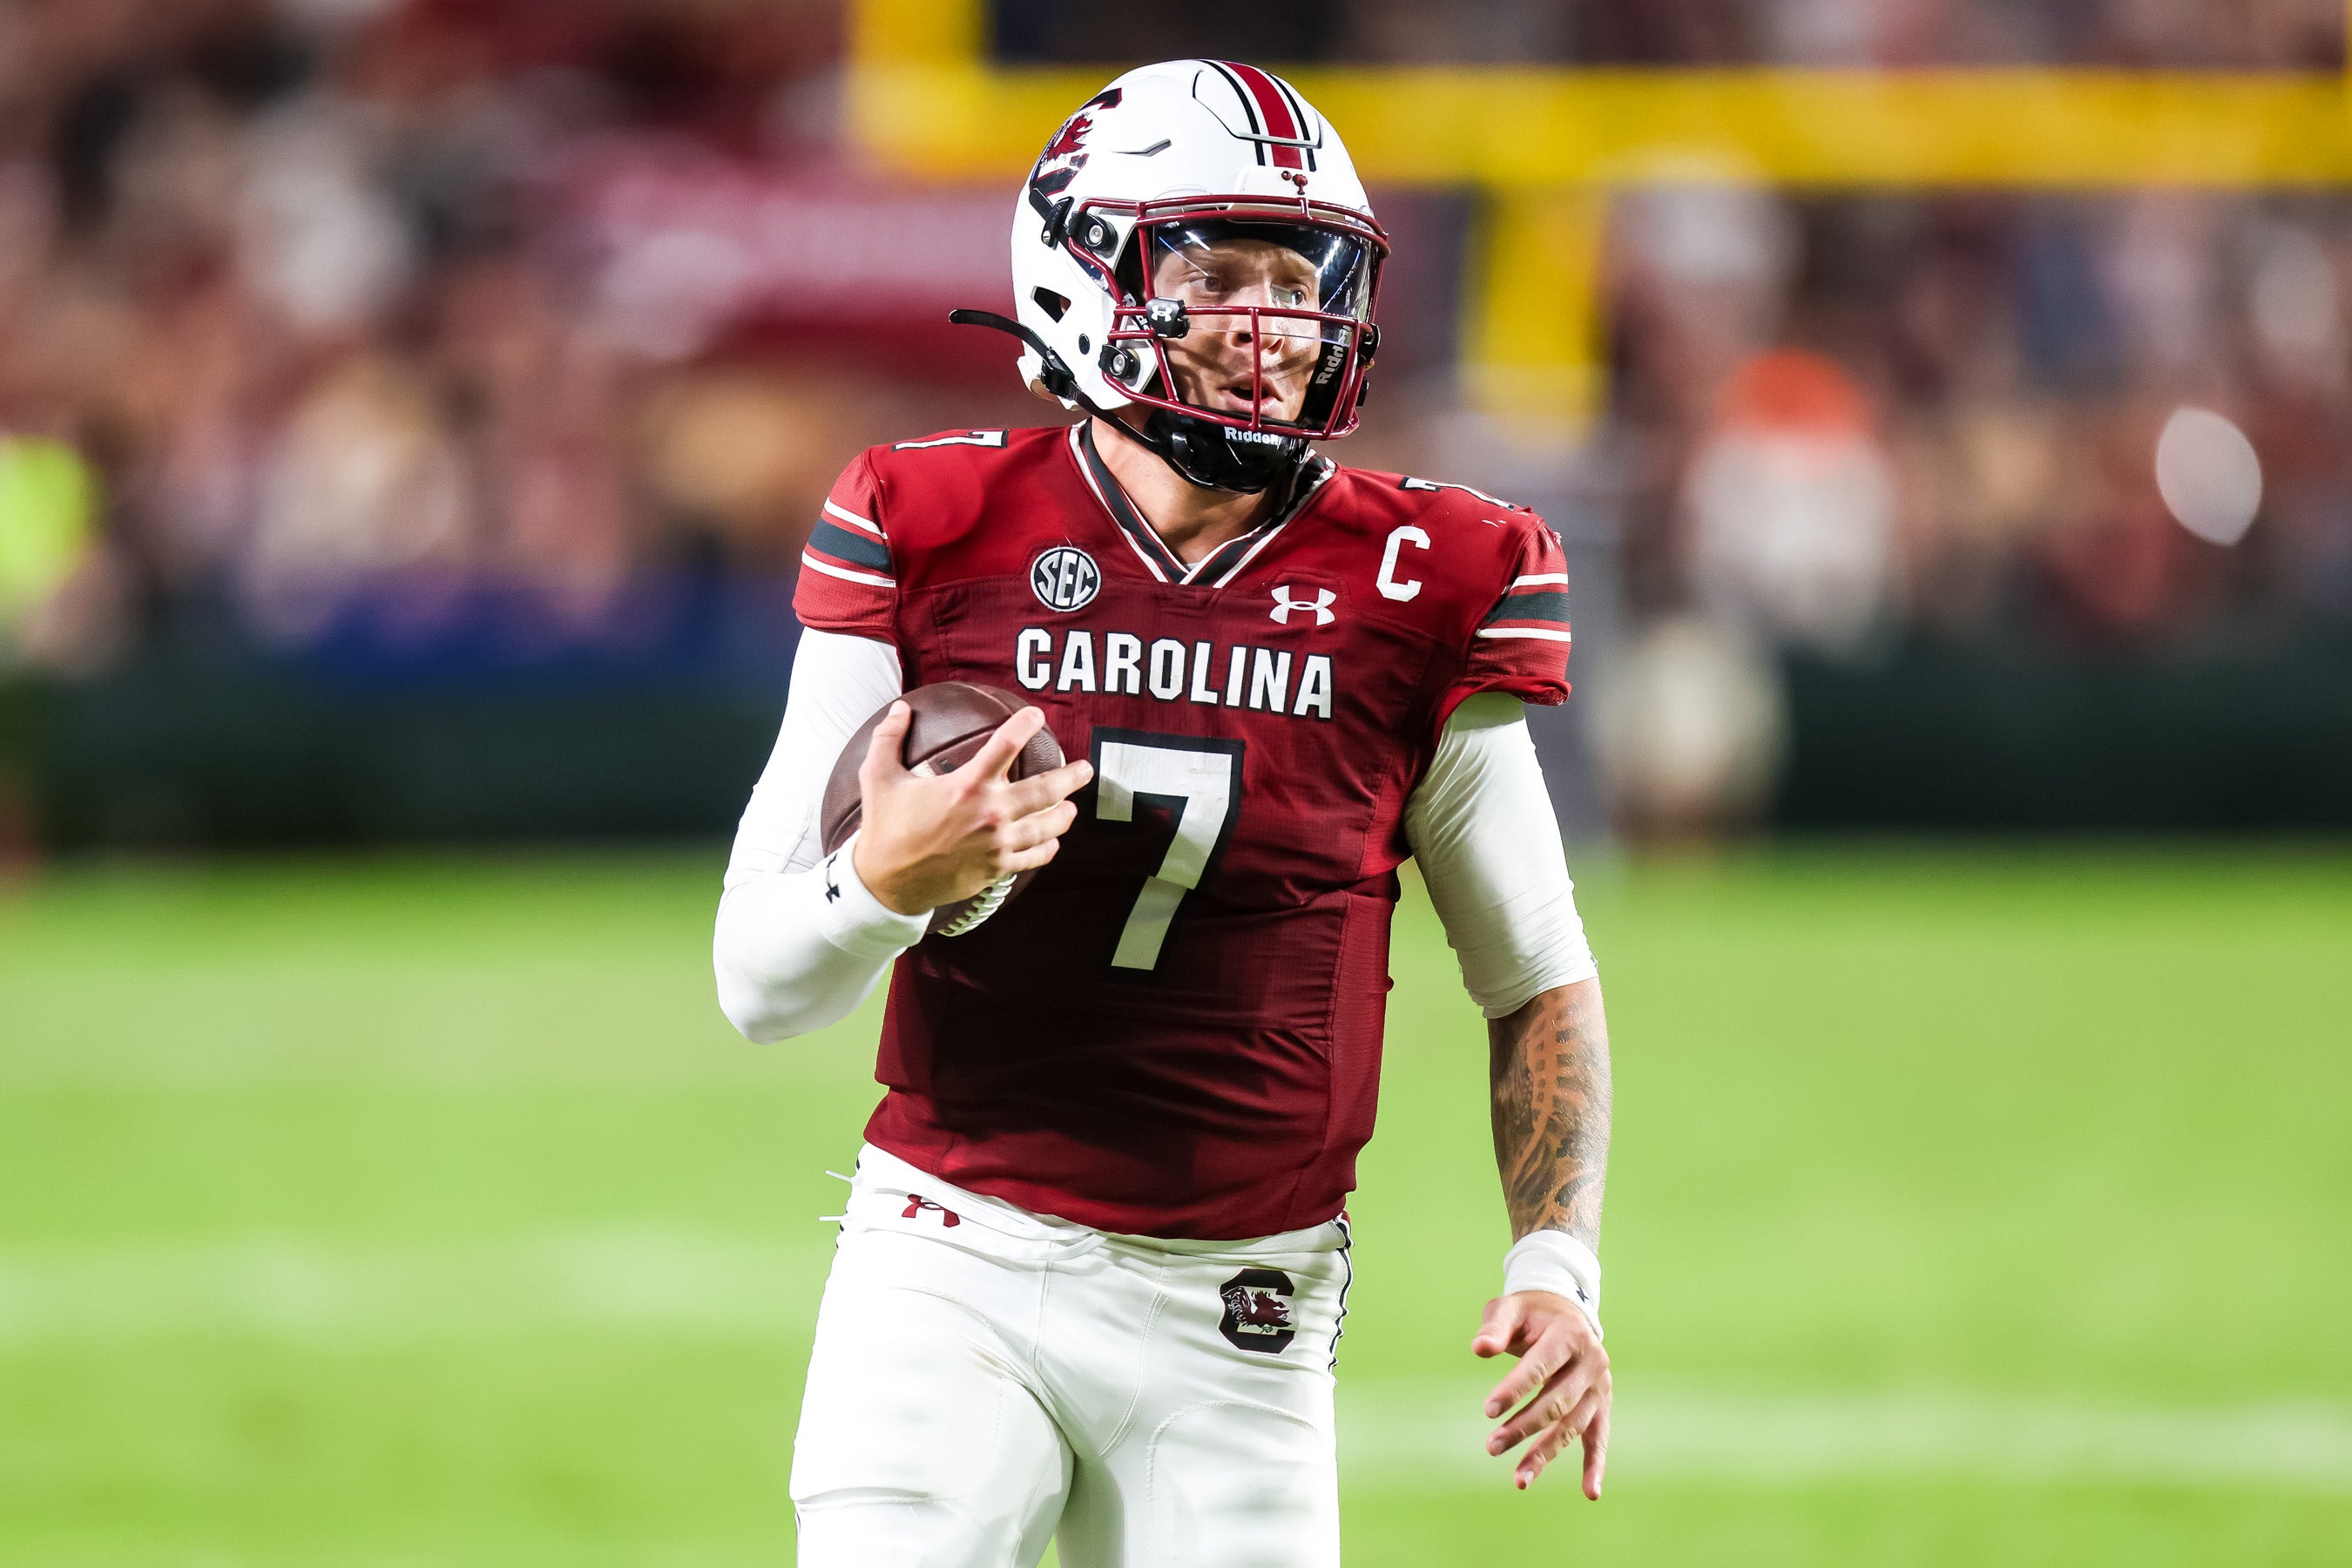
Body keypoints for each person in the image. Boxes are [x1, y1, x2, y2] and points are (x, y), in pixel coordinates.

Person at [714, 59, 1612, 1568]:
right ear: (1081, 274)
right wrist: (882, 879)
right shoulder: (933, 530)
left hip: (1242, 1316)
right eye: (1219, 273)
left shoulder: (1416, 580)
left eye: (1301, 275)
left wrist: (1558, 1259)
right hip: (948, 1257)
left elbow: (1533, 975)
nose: (1275, 324)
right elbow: (756, 983)